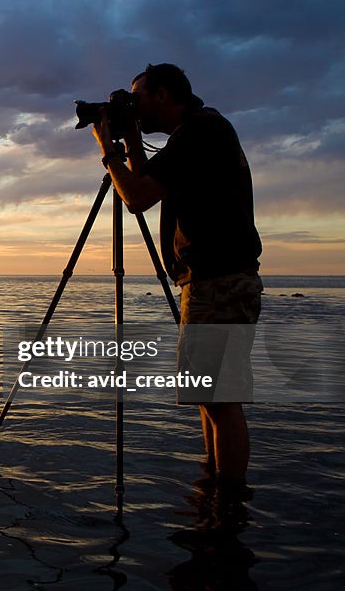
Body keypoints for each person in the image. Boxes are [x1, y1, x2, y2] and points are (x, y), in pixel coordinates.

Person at [90, 63, 263, 489]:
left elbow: (137, 196)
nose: (136, 108)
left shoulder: (199, 134)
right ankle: (213, 489)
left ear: (163, 95)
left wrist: (107, 149)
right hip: (210, 281)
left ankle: (228, 506)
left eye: (139, 99)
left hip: (219, 281)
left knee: (219, 400)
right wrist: (130, 134)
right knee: (209, 399)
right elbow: (149, 177)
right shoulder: (202, 131)